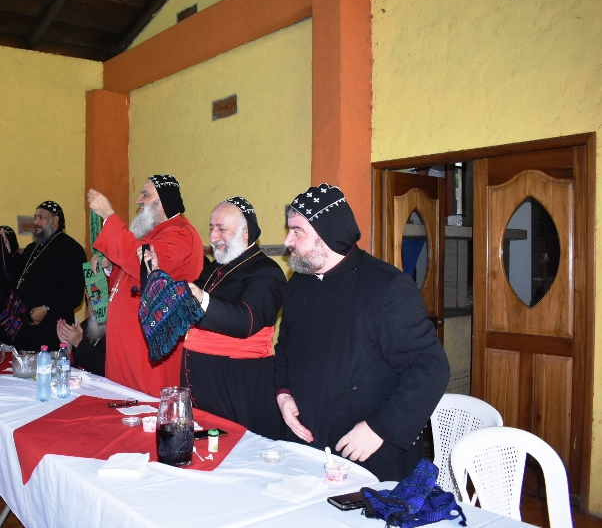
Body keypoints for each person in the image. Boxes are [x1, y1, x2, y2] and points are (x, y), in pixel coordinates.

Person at [274, 183, 450, 482]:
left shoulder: (387, 287)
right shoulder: (298, 283)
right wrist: (284, 394)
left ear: (327, 234)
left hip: (368, 447)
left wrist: (380, 428)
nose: (287, 240)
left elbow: (430, 368)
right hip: (307, 441)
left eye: (297, 231)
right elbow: (285, 347)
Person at [143, 197, 286, 439]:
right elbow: (183, 306)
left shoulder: (267, 272)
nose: (212, 236)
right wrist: (155, 273)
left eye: (221, 229)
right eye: (211, 227)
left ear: (246, 232)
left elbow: (246, 321)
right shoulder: (212, 270)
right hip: (201, 389)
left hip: (239, 391)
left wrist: (201, 299)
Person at [87, 175, 204, 397]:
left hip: (148, 353)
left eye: (145, 195)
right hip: (125, 348)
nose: (138, 200)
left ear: (163, 203)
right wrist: (110, 267)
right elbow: (130, 279)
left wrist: (109, 216)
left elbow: (145, 266)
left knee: (148, 409)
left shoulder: (181, 234)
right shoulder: (151, 235)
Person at [1, 201, 86, 352]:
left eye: (41, 217)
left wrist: (47, 308)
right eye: (35, 217)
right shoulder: (32, 248)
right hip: (27, 327)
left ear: (55, 220)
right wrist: (6, 249)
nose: (36, 222)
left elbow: (74, 293)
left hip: (53, 329)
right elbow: (15, 276)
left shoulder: (72, 249)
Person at [56, 294, 106, 377]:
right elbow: (78, 366)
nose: (94, 308)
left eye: (98, 301)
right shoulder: (85, 326)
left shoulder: (117, 331)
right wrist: (68, 348)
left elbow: (104, 367)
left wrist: (78, 342)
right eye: (90, 302)